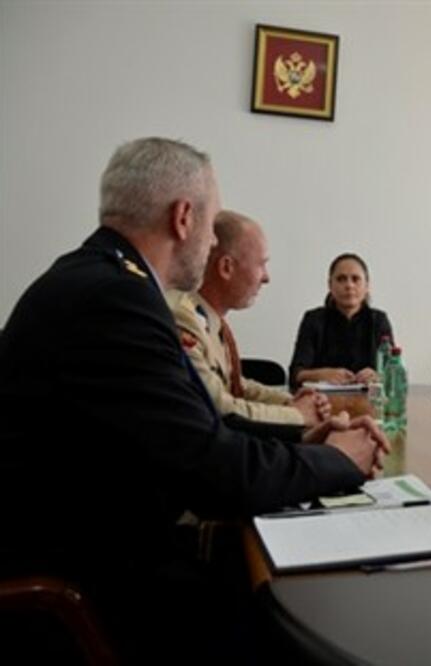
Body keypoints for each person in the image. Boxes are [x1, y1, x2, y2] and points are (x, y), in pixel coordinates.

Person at [0, 137, 390, 661]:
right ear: (184, 218)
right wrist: (337, 460)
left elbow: (202, 424)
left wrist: (307, 443)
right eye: (211, 228)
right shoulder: (116, 299)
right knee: (297, 632)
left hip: (95, 550)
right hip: (86, 588)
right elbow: (215, 474)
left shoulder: (101, 279)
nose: (212, 244)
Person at [168, 210, 329, 425]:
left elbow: (236, 386)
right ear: (226, 267)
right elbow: (219, 406)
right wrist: (298, 415)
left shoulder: (209, 319)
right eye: (261, 264)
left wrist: (290, 402)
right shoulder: (184, 318)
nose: (266, 278)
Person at [289, 253, 393, 389]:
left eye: (355, 279)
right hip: (321, 403)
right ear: (330, 285)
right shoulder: (313, 320)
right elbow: (295, 374)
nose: (349, 285)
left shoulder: (379, 320)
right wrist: (322, 374)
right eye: (341, 279)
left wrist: (378, 376)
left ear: (367, 285)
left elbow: (393, 371)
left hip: (369, 402)